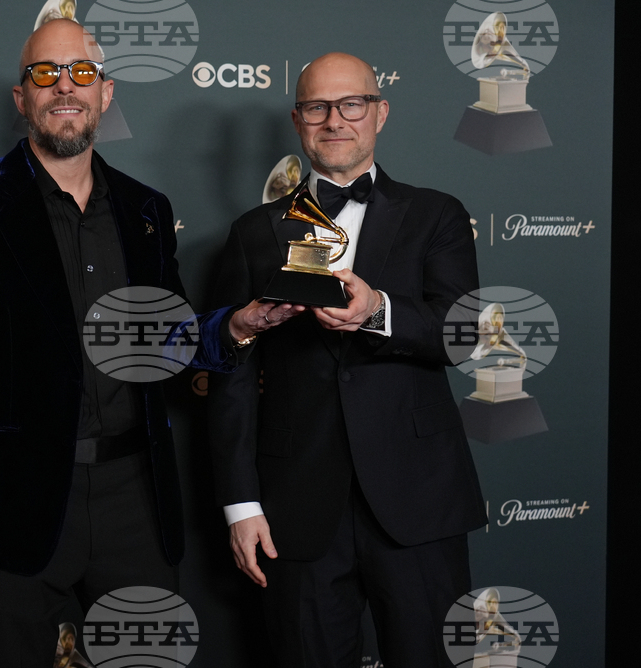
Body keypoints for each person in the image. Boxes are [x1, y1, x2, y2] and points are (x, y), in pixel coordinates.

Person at [0, 18, 298, 667]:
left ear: (106, 93)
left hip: (135, 500)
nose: (66, 87)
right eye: (46, 74)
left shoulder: (145, 210)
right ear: (21, 97)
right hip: (14, 504)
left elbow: (167, 341)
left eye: (81, 73)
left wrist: (234, 327)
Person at [207, 52, 486, 667]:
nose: (335, 120)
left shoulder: (437, 215)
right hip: (295, 511)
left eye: (351, 104)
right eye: (317, 107)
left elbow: (462, 334)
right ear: (297, 119)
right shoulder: (255, 231)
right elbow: (232, 373)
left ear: (379, 113)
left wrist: (378, 309)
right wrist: (242, 505)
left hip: (419, 504)